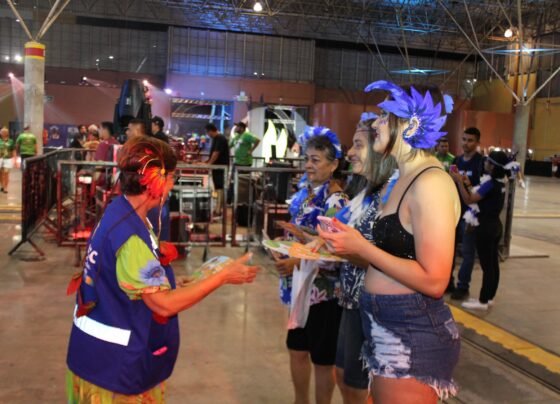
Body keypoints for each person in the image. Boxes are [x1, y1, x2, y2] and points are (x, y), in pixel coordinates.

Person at [66, 135, 259, 402]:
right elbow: (163, 305)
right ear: (155, 180)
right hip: (114, 369)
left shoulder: (121, 212)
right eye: (171, 178)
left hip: (94, 356)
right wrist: (222, 277)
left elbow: (127, 277)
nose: (172, 186)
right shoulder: (131, 238)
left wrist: (177, 281)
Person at [319, 81, 461, 403]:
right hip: (384, 324)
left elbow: (435, 280)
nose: (376, 124)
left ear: (411, 123)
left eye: (385, 116)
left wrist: (362, 248)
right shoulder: (403, 180)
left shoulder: (431, 183)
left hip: (409, 332)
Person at [275, 127, 348, 404]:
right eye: (306, 159)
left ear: (334, 164)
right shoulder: (306, 194)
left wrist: (296, 259)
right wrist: (283, 247)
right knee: (296, 349)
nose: (308, 165)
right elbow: (305, 235)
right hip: (300, 287)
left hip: (324, 293)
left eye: (315, 160)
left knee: (322, 359)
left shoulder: (337, 201)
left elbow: (333, 251)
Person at [333, 117, 396, 404]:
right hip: (350, 301)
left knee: (359, 386)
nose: (349, 153)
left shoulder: (390, 197)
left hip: (370, 306)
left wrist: (345, 250)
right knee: (343, 375)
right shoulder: (365, 193)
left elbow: (391, 263)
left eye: (358, 145)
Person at [451, 150, 509, 310]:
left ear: (493, 166)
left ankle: (483, 301)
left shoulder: (490, 184)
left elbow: (469, 200)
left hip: (485, 228)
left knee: (487, 266)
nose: (485, 163)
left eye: (488, 161)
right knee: (493, 264)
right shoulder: (499, 182)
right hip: (495, 226)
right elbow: (477, 195)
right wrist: (468, 183)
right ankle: (489, 297)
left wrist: (459, 182)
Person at [449, 127, 484, 300]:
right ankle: (447, 281)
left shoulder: (481, 163)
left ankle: (463, 286)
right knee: (449, 250)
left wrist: (463, 182)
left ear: (477, 143)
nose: (466, 143)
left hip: (471, 214)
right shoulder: (456, 160)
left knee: (467, 252)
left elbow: (480, 191)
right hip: (454, 213)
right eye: (464, 139)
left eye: (470, 140)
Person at [204, 123, 230, 217]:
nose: (207, 135)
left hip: (221, 167)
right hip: (217, 167)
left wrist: (209, 164)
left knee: (220, 188)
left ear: (210, 131)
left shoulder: (220, 138)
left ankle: (219, 210)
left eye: (207, 132)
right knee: (218, 187)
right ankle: (218, 208)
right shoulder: (217, 139)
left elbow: (216, 153)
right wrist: (208, 162)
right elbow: (213, 154)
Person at [0, 127, 15, 193]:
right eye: (2, 132)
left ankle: (6, 187)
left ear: (7, 133)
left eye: (5, 132)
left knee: (6, 173)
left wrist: (15, 159)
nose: (3, 133)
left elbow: (13, 150)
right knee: (1, 173)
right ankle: (2, 186)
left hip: (8, 159)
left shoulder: (11, 141)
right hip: (0, 159)